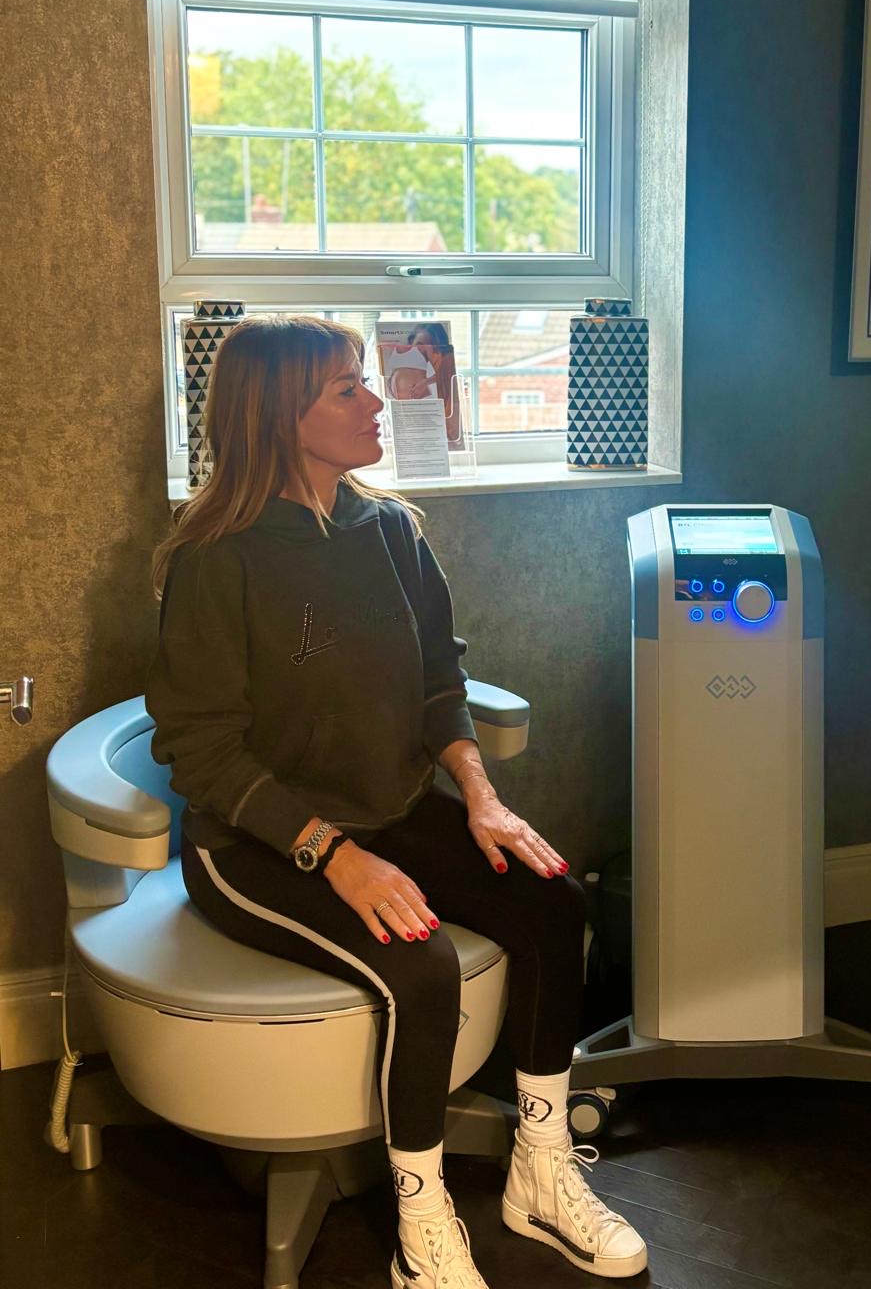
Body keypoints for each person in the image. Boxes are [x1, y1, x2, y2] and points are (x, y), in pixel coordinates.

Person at [144, 314, 647, 1289]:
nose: (380, 400)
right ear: (279, 416)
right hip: (252, 845)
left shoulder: (392, 533)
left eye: (368, 381)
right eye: (348, 388)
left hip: (389, 813)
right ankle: (424, 1227)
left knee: (555, 900)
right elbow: (198, 750)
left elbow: (438, 688)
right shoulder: (218, 557)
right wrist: (334, 853)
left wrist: (480, 793)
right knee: (423, 967)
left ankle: (539, 1173)